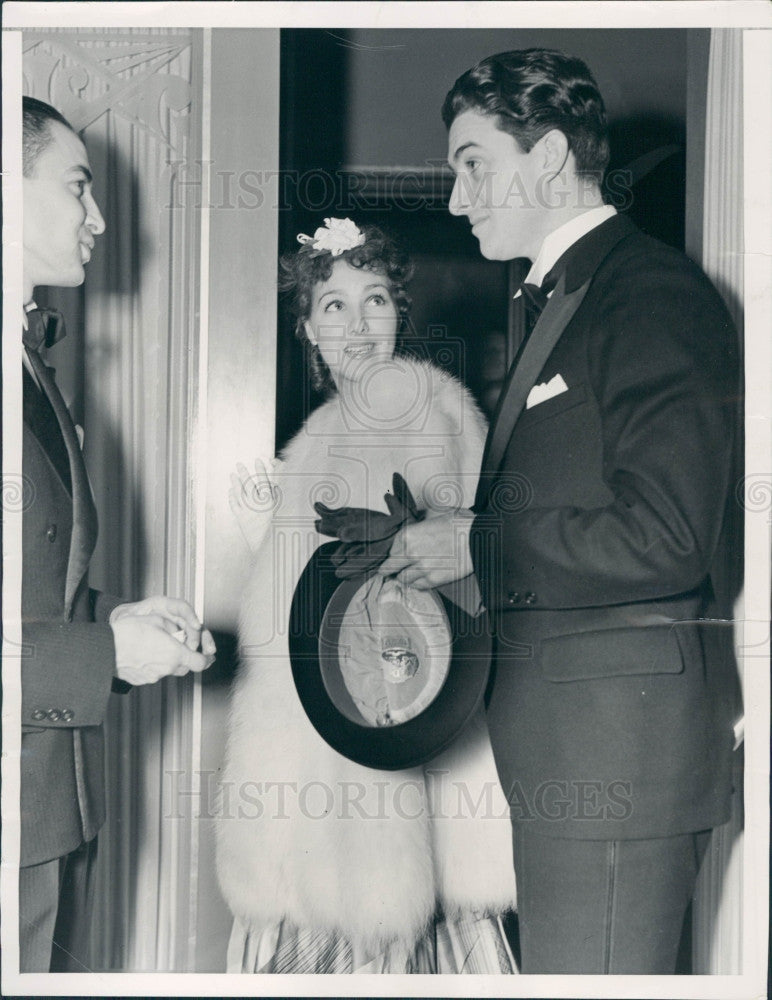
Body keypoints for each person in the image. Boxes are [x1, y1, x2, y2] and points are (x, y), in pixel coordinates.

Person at [377, 50, 741, 973]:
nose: (457, 199)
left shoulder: (648, 292)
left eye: (471, 163)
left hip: (615, 766)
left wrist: (480, 545)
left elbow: (667, 535)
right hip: (577, 761)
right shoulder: (568, 294)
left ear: (545, 159)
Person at [216, 219, 518, 974]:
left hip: (379, 774)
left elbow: (441, 612)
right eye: (334, 305)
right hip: (309, 768)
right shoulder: (320, 433)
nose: (356, 324)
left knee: (380, 946)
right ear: (307, 328)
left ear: (399, 316)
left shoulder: (421, 406)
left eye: (374, 298)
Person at [19, 96, 216, 972]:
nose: (98, 218)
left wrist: (121, 623)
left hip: (51, 804)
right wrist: (105, 655)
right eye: (77, 188)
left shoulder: (31, 364)